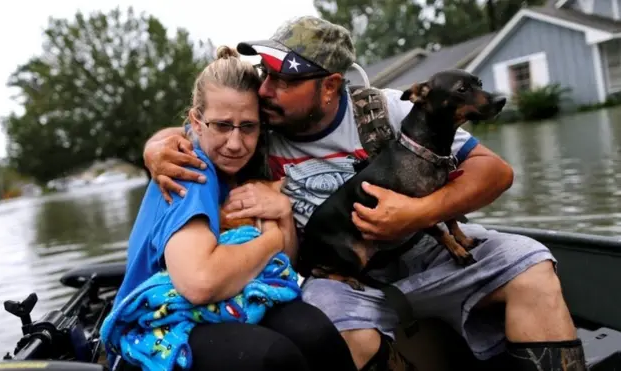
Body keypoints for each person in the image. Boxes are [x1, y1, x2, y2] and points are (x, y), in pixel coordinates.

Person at [140, 17, 587, 371]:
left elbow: (494, 171)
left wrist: (418, 212)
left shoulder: (390, 109)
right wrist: (156, 148)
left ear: (330, 86)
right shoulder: (256, 124)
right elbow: (194, 131)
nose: (266, 90)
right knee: (324, 328)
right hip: (338, 275)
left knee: (532, 268)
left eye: (284, 79)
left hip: (431, 253)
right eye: (266, 74)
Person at [111, 45, 358, 371]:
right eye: (223, 126)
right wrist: (271, 240)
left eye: (248, 126)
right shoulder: (187, 168)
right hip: (157, 318)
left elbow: (289, 262)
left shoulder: (250, 166)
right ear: (196, 123)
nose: (235, 143)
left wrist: (282, 211)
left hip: (235, 296)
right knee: (272, 358)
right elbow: (199, 282)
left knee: (318, 335)